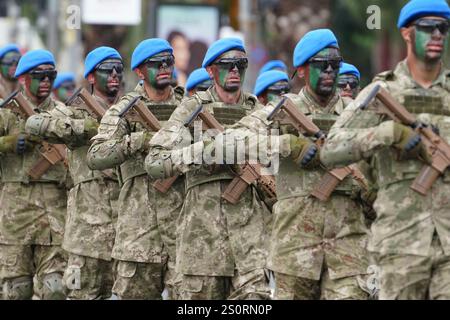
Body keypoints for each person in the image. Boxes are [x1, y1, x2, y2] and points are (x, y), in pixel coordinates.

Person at [321, 0, 450, 300]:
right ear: (407, 33)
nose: (437, 35)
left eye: (443, 28)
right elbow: (330, 149)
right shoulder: (382, 93)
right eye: (428, 28)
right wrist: (386, 133)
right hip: (400, 244)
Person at [145, 38, 272, 300]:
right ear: (212, 71)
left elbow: (276, 166)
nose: (235, 70)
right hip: (202, 241)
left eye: (241, 64)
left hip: (251, 241)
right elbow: (155, 162)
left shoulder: (258, 111)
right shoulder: (192, 108)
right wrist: (205, 152)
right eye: (227, 65)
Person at [87, 39, 185, 299]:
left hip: (186, 231)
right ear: (140, 72)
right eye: (156, 63)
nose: (165, 67)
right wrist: (136, 141)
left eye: (169, 62)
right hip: (139, 231)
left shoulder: (190, 107)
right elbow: (95, 156)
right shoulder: (124, 110)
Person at [25, 46, 124, 299]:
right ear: (91, 77)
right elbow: (35, 124)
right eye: (106, 69)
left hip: (127, 231)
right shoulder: (77, 111)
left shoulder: (129, 112)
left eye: (118, 69)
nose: (114, 74)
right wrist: (86, 127)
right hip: (86, 233)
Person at [0, 49, 68, 300]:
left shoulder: (63, 114)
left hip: (55, 217)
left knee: (56, 289)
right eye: (39, 76)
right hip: (15, 218)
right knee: (16, 291)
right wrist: (7, 143)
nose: (47, 81)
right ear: (23, 79)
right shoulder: (7, 112)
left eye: (51, 75)